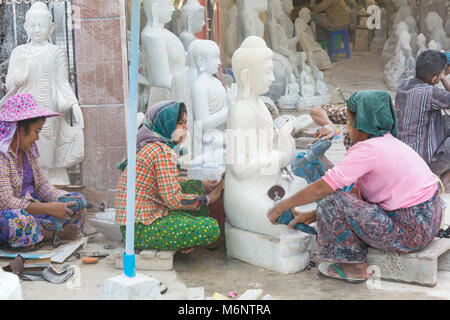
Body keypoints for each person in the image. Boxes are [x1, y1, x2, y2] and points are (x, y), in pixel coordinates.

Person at [267, 90, 442, 282]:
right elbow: (354, 197)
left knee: (330, 198)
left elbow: (322, 188)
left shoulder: (367, 150)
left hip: (410, 233)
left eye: (349, 123)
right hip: (429, 222)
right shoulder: (389, 142)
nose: (348, 129)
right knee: (339, 198)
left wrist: (281, 206)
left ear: (362, 125)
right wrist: (311, 215)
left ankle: (353, 267)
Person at [115, 101, 222, 254]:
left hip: (137, 223)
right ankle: (183, 239)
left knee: (193, 186)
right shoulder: (162, 151)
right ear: (167, 124)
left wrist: (202, 186)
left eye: (185, 123)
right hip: (140, 229)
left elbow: (171, 184)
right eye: (180, 123)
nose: (185, 128)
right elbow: (173, 199)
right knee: (211, 228)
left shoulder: (154, 146)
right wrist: (207, 198)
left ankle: (183, 239)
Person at [0, 93, 86, 251]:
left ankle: (41, 233)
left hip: (36, 212)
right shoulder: (2, 156)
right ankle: (52, 234)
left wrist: (61, 199)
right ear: (19, 129)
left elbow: (43, 186)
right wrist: (48, 208)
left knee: (77, 201)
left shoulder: (27, 153)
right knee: (17, 221)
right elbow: (6, 202)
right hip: (11, 216)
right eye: (36, 131)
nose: (37, 138)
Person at [395, 50, 450, 190]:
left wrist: (439, 76)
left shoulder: (403, 85)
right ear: (434, 79)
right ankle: (442, 181)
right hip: (421, 163)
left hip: (403, 157)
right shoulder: (430, 93)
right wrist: (443, 78)